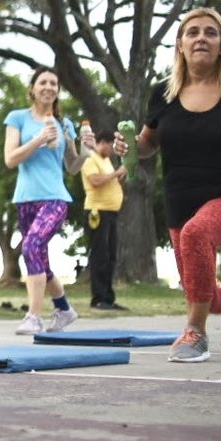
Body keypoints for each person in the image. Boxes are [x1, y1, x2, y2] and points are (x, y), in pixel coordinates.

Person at [134, 7, 221, 362]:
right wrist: (127, 146)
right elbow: (147, 144)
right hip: (180, 201)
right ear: (180, 45)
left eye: (210, 32)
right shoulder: (162, 94)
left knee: (198, 234)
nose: (201, 38)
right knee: (202, 291)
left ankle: (195, 335)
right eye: (192, 32)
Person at [3, 67, 95, 335]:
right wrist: (39, 139)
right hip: (25, 199)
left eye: (53, 83)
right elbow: (10, 159)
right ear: (32, 89)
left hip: (55, 199)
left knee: (30, 247)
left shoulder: (65, 125)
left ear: (58, 90)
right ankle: (64, 310)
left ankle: (33, 316)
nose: (48, 87)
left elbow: (73, 167)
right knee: (39, 260)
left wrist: (87, 151)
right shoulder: (17, 118)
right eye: (42, 82)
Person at [81, 129, 128, 311]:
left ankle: (108, 297)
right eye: (111, 146)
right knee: (100, 255)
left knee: (110, 256)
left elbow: (109, 181)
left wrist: (119, 178)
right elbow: (96, 181)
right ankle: (98, 298)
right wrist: (116, 174)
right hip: (97, 211)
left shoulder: (106, 160)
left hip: (111, 212)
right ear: (104, 143)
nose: (112, 151)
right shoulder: (89, 159)